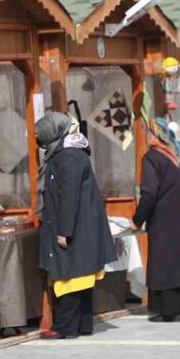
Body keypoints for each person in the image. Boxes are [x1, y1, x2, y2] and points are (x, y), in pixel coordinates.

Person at [34, 111, 115, 338]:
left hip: (75, 229)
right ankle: (83, 325)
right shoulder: (66, 153)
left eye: (40, 134)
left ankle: (65, 327)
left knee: (69, 277)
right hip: (80, 227)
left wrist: (64, 231)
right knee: (80, 277)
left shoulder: (67, 156)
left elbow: (69, 197)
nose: (38, 140)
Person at [134, 114, 180, 321]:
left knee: (166, 264)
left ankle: (169, 310)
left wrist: (137, 219)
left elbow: (149, 193)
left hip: (165, 219)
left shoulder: (153, 157)